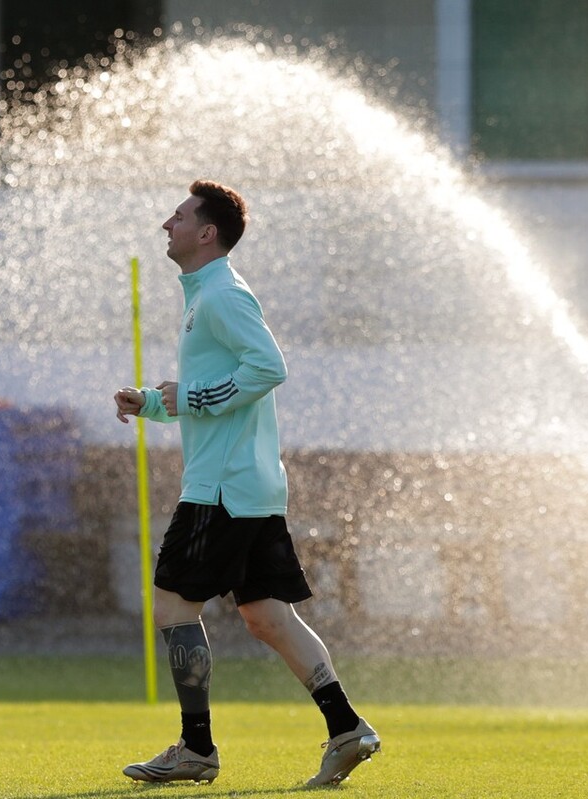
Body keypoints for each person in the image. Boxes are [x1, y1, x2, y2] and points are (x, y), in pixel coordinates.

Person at [113, 180, 380, 786]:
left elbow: (268, 368)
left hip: (221, 489)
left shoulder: (221, 296)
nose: (166, 224)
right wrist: (152, 402)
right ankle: (347, 729)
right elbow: (214, 391)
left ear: (207, 233)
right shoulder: (206, 295)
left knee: (174, 608)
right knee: (265, 616)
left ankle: (196, 749)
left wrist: (192, 398)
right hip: (252, 486)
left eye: (177, 216)